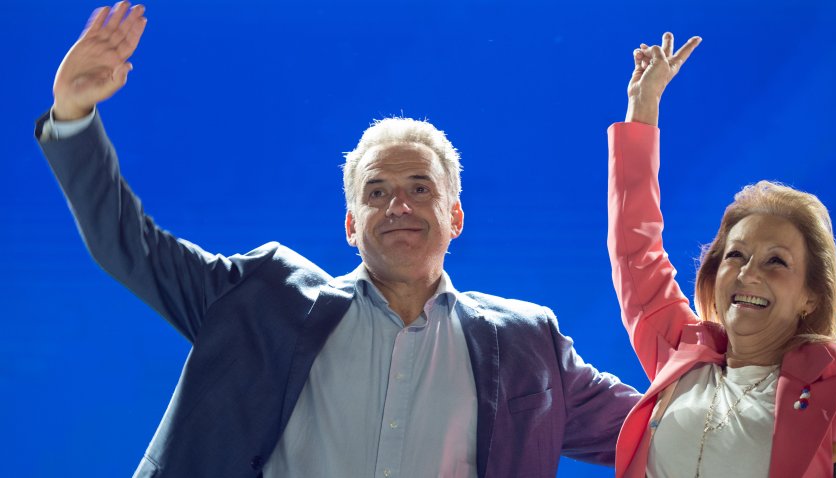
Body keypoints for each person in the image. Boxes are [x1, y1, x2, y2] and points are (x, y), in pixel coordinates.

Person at [37, 3, 641, 477]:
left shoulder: (529, 345)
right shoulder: (261, 299)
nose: (398, 205)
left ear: (456, 216)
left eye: (420, 189)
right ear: (351, 225)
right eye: (375, 192)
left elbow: (660, 429)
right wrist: (73, 115)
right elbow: (126, 245)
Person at [607, 32, 836, 477]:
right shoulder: (681, 352)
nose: (748, 273)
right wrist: (643, 110)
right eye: (736, 256)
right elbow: (634, 251)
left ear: (811, 296)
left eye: (776, 261)